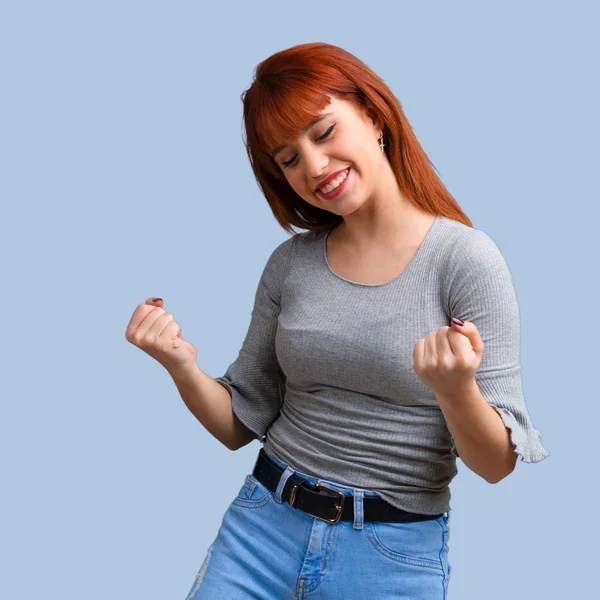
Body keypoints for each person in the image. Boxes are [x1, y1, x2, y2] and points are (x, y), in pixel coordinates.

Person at [126, 42, 549, 599]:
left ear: (374, 115)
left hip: (390, 557)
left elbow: (496, 465)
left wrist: (456, 390)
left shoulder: (465, 261)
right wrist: (181, 365)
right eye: (289, 158)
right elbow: (239, 424)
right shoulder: (291, 263)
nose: (315, 166)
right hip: (260, 530)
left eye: (323, 133)